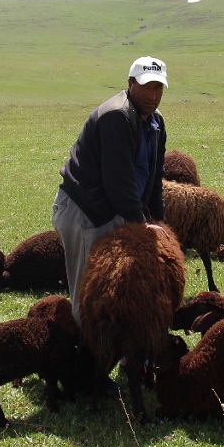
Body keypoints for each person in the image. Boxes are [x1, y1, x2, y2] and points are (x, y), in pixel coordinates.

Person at [53, 56, 169, 325]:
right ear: (130, 84)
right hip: (85, 211)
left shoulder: (155, 123)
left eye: (158, 88)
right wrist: (141, 225)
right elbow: (119, 180)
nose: (152, 95)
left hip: (115, 209)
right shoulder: (116, 116)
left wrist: (160, 222)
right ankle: (85, 355)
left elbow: (155, 176)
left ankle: (113, 349)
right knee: (90, 293)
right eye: (146, 87)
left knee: (116, 288)